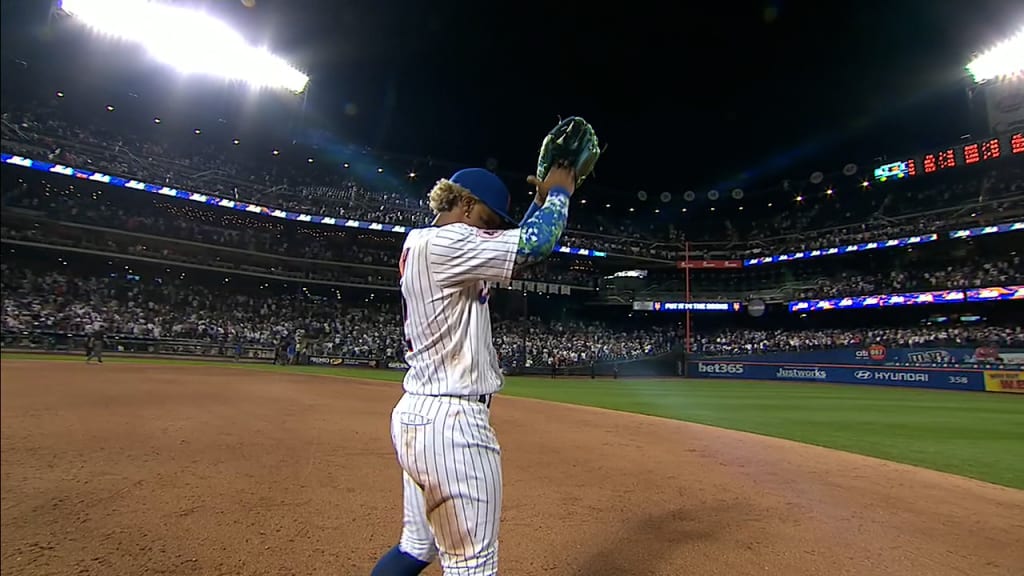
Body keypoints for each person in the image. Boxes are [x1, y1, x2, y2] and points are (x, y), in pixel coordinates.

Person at [371, 163, 576, 575]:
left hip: (418, 413)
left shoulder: (429, 243)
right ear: (465, 205)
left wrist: (535, 204)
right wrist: (559, 194)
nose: (489, 232)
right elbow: (535, 246)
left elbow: (511, 244)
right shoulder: (451, 244)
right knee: (473, 566)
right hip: (453, 426)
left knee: (416, 549)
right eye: (486, 220)